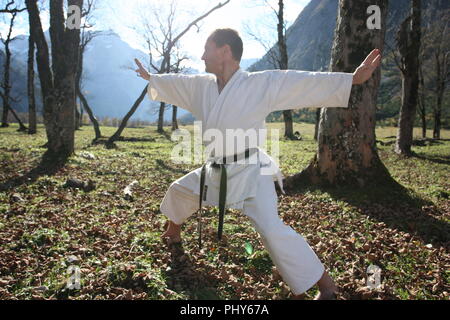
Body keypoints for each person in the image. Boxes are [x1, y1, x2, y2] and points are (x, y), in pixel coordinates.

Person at [134, 28, 381, 300]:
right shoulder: (201, 85)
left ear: (224, 51)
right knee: (181, 189)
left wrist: (352, 80)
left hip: (252, 171)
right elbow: (176, 82)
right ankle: (173, 230)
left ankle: (326, 285)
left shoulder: (259, 84)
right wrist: (152, 78)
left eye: (207, 49)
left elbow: (303, 82)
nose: (202, 56)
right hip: (216, 169)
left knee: (272, 230)